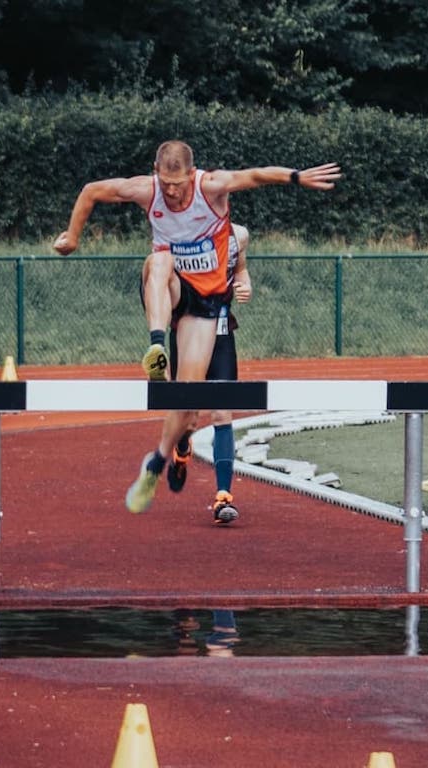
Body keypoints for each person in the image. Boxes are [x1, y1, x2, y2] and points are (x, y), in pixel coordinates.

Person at [53, 140, 341, 513]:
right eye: (165, 183)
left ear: (191, 174)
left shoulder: (210, 187)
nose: (171, 192)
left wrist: (296, 176)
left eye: (178, 184)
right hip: (170, 288)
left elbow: (253, 176)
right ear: (156, 173)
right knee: (159, 262)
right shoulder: (147, 190)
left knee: (188, 405)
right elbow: (92, 191)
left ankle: (156, 462)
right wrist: (72, 237)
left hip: (204, 305)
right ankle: (156, 346)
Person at [166, 224, 251, 524]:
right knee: (188, 415)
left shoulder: (238, 236)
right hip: (187, 336)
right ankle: (181, 446)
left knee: (222, 413)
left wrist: (245, 286)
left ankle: (223, 496)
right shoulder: (180, 237)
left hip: (222, 335)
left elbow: (240, 271)